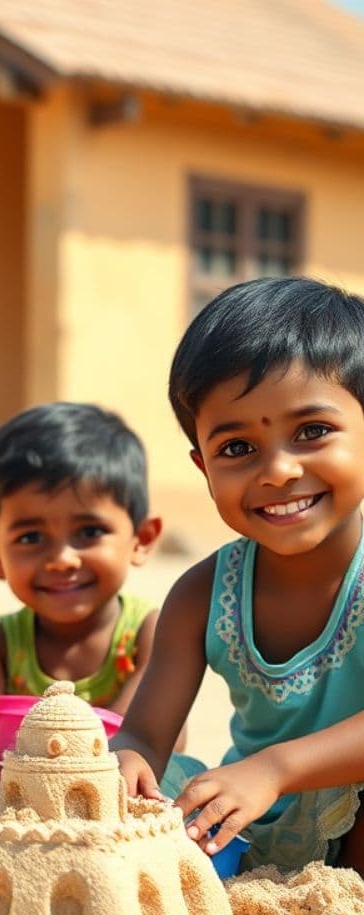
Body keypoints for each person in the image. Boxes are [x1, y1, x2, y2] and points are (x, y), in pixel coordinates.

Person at [112, 275, 364, 876]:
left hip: (339, 803)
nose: (277, 470)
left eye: (312, 432)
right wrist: (127, 764)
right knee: (155, 792)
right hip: (251, 818)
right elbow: (147, 734)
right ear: (202, 466)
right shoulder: (203, 593)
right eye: (236, 449)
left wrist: (275, 768)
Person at [0, 402, 165, 782]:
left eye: (89, 532)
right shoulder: (0, 647)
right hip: (29, 806)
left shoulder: (145, 635)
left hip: (123, 803)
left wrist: (40, 751)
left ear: (141, 540)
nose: (63, 559)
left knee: (184, 773)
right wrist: (28, 762)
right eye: (31, 538)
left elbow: (161, 736)